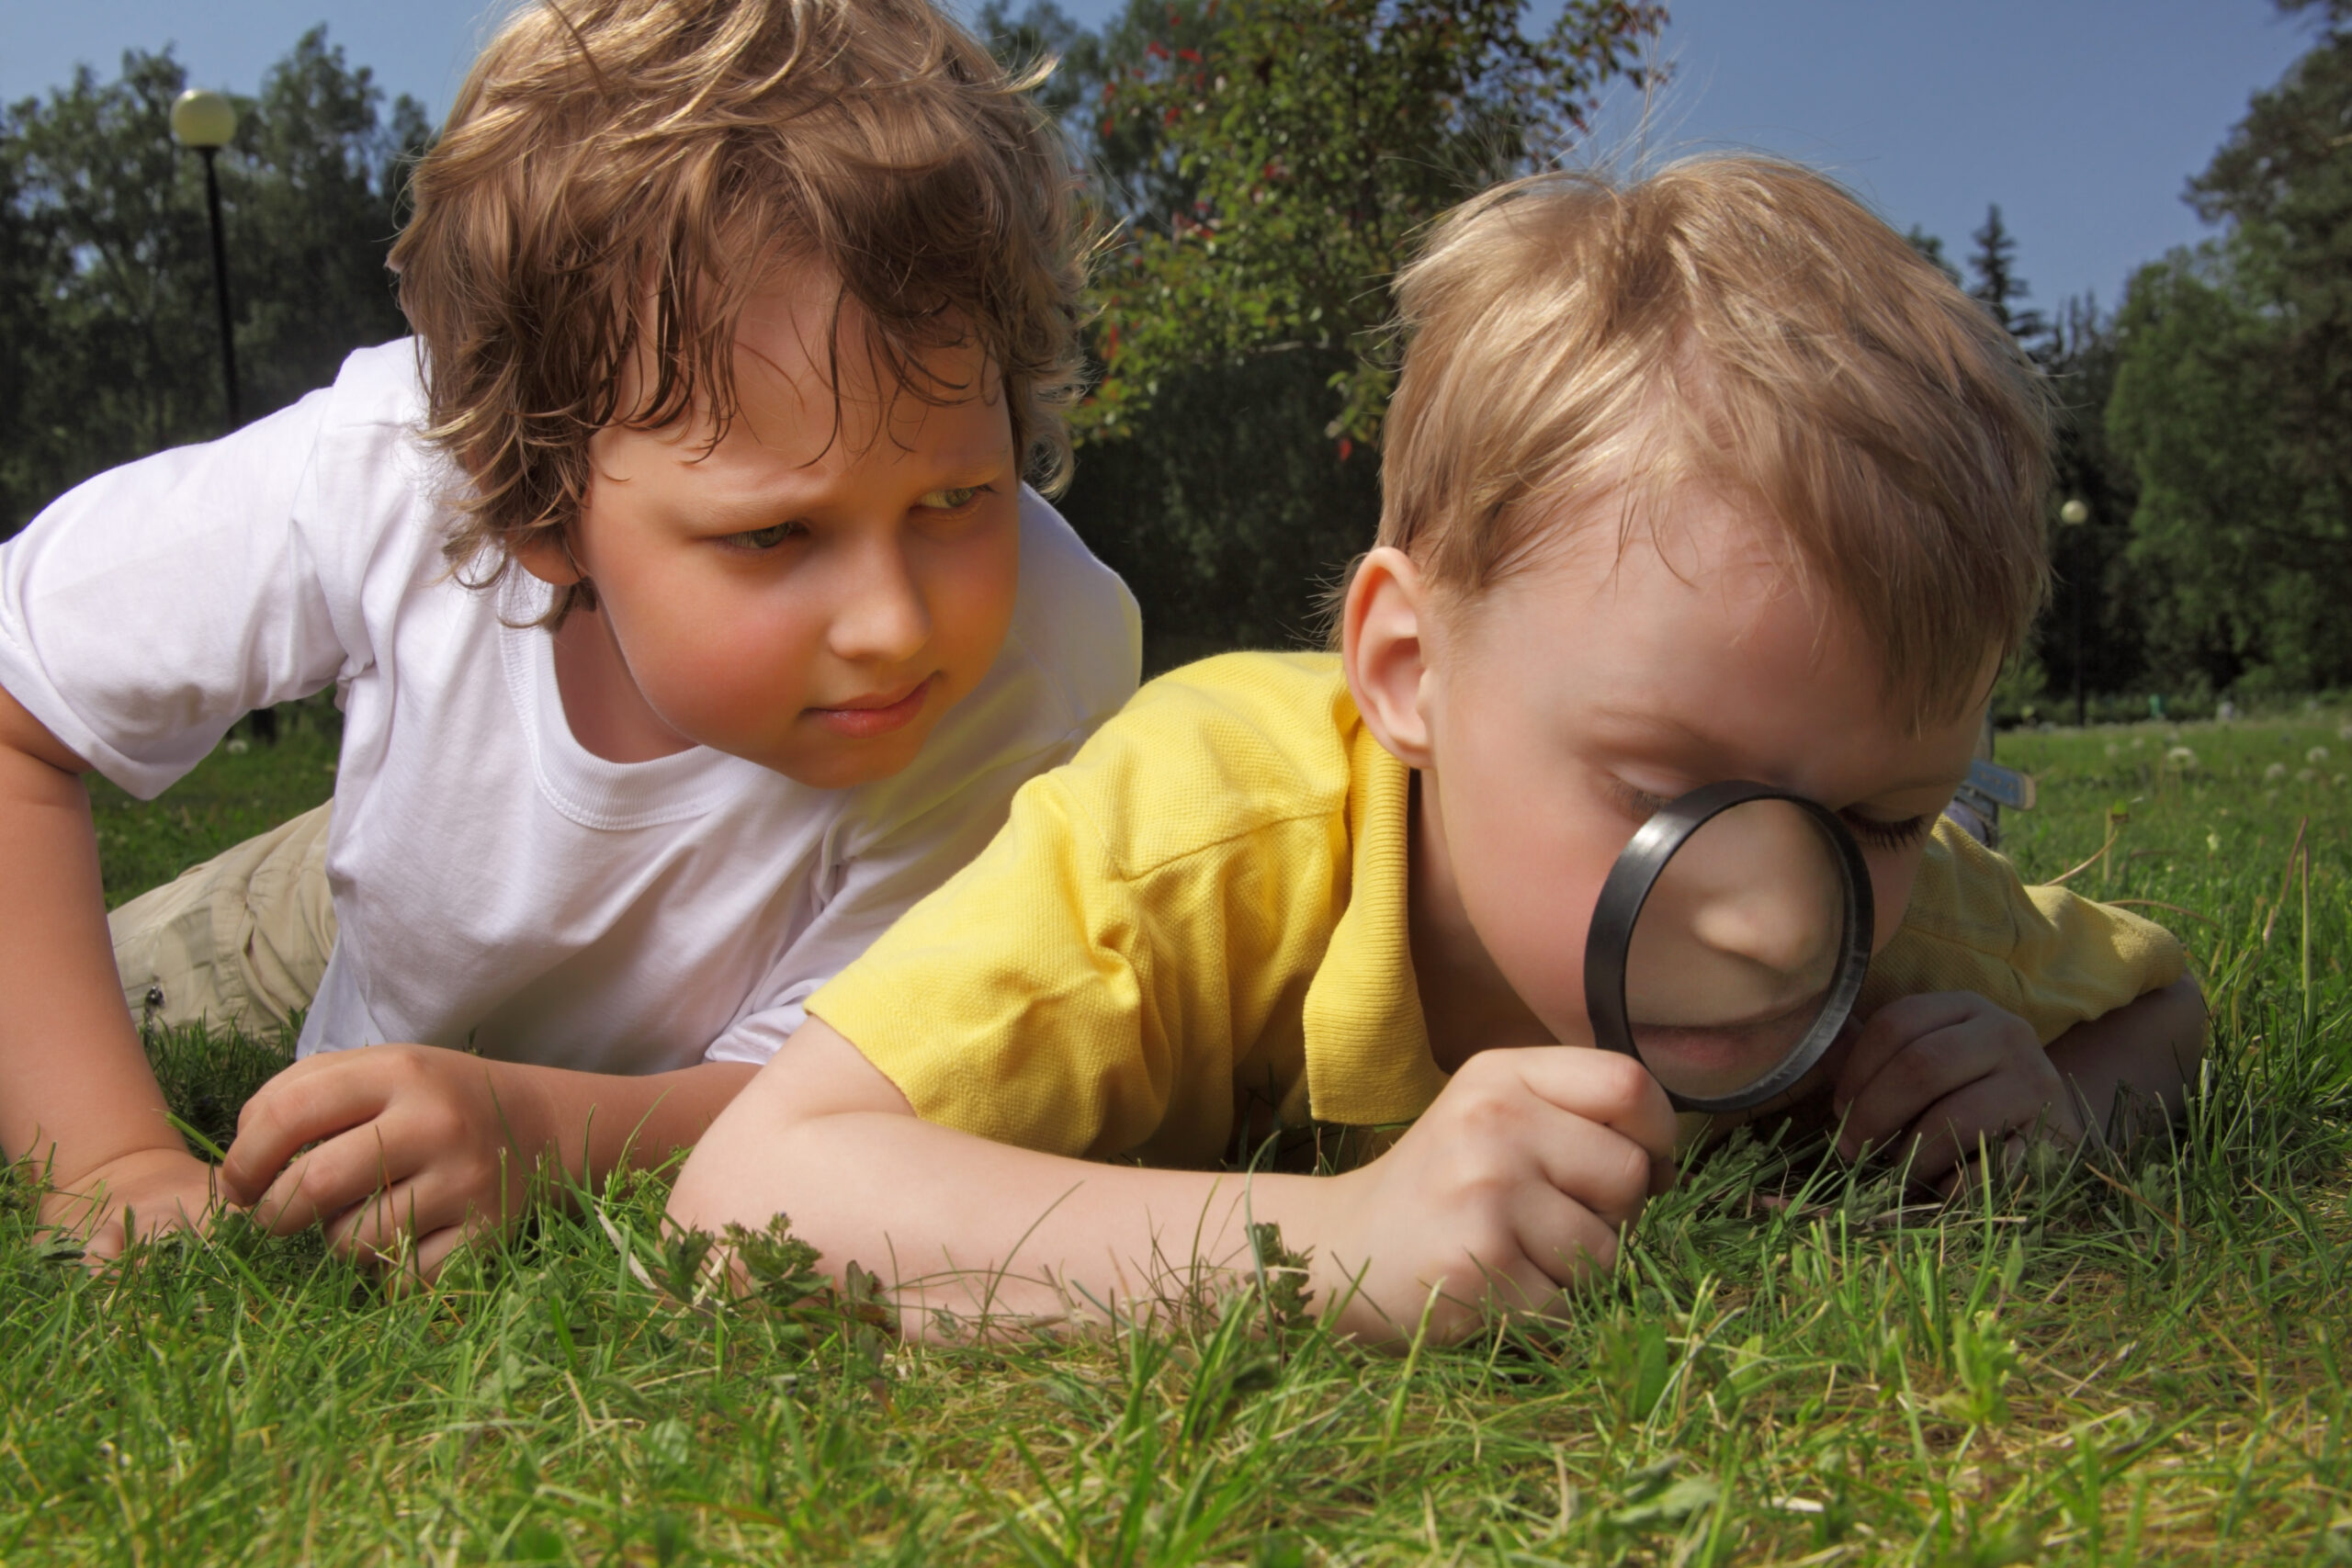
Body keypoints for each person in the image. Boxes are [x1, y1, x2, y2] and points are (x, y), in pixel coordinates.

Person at [667, 158, 2208, 1346]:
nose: (1781, 924)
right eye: (1671, 796)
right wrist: (1331, 1248)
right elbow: (749, 1199)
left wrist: (2065, 1115)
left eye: (1882, 812)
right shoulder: (1193, 839)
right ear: (1408, 669)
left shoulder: (1889, 907)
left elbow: (2165, 1007)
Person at [0, 0, 1139, 1277]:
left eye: (954, 501)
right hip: (352, 883)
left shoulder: (1038, 665)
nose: (893, 626)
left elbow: (849, 1094)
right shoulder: (385, 473)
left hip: (502, 920)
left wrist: (546, 1131)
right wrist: (108, 1163)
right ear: (536, 502)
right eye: (771, 537)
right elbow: (13, 705)